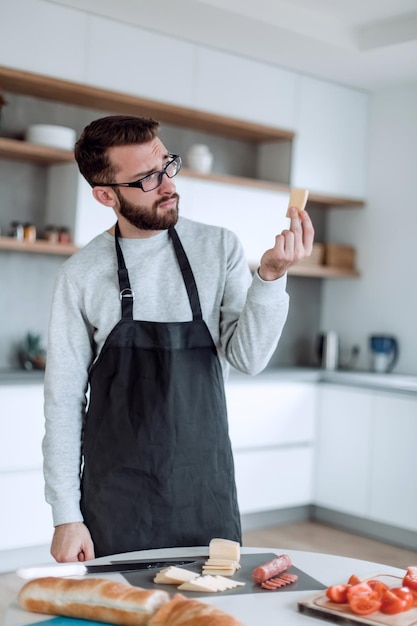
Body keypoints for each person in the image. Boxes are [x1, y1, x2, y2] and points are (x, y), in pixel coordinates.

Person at [42, 115, 314, 563]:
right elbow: (63, 400)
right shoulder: (82, 274)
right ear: (105, 195)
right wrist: (66, 517)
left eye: (167, 165)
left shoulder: (219, 248)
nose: (168, 184)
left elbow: (247, 359)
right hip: (117, 497)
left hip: (204, 490)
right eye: (147, 178)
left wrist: (270, 278)